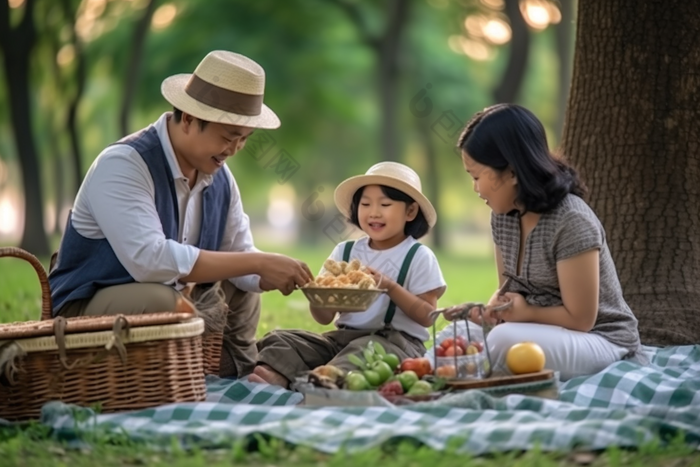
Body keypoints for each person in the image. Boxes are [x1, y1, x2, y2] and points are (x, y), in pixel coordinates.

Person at [48, 50, 313, 378]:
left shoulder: (221, 178)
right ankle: (168, 375)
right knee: (162, 300)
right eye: (229, 137)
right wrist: (257, 263)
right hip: (88, 304)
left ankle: (232, 371)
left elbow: (238, 252)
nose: (235, 150)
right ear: (188, 118)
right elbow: (150, 260)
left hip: (176, 296)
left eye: (245, 140)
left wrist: (272, 272)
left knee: (243, 290)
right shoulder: (124, 164)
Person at [455, 103, 646, 381]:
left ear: (511, 171)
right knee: (456, 334)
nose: (475, 188)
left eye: (476, 176)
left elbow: (581, 319)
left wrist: (526, 312)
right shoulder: (503, 216)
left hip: (602, 341)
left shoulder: (570, 220)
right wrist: (494, 309)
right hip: (540, 332)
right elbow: (508, 291)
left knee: (503, 341)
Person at [249, 162, 447, 387]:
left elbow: (428, 316)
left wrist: (390, 287)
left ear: (410, 211)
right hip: (342, 338)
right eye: (365, 204)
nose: (374, 212)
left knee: (364, 350)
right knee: (283, 339)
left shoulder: (418, 256)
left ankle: (322, 381)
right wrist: (319, 295)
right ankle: (290, 374)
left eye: (385, 204)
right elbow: (323, 318)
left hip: (395, 343)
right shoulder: (345, 251)